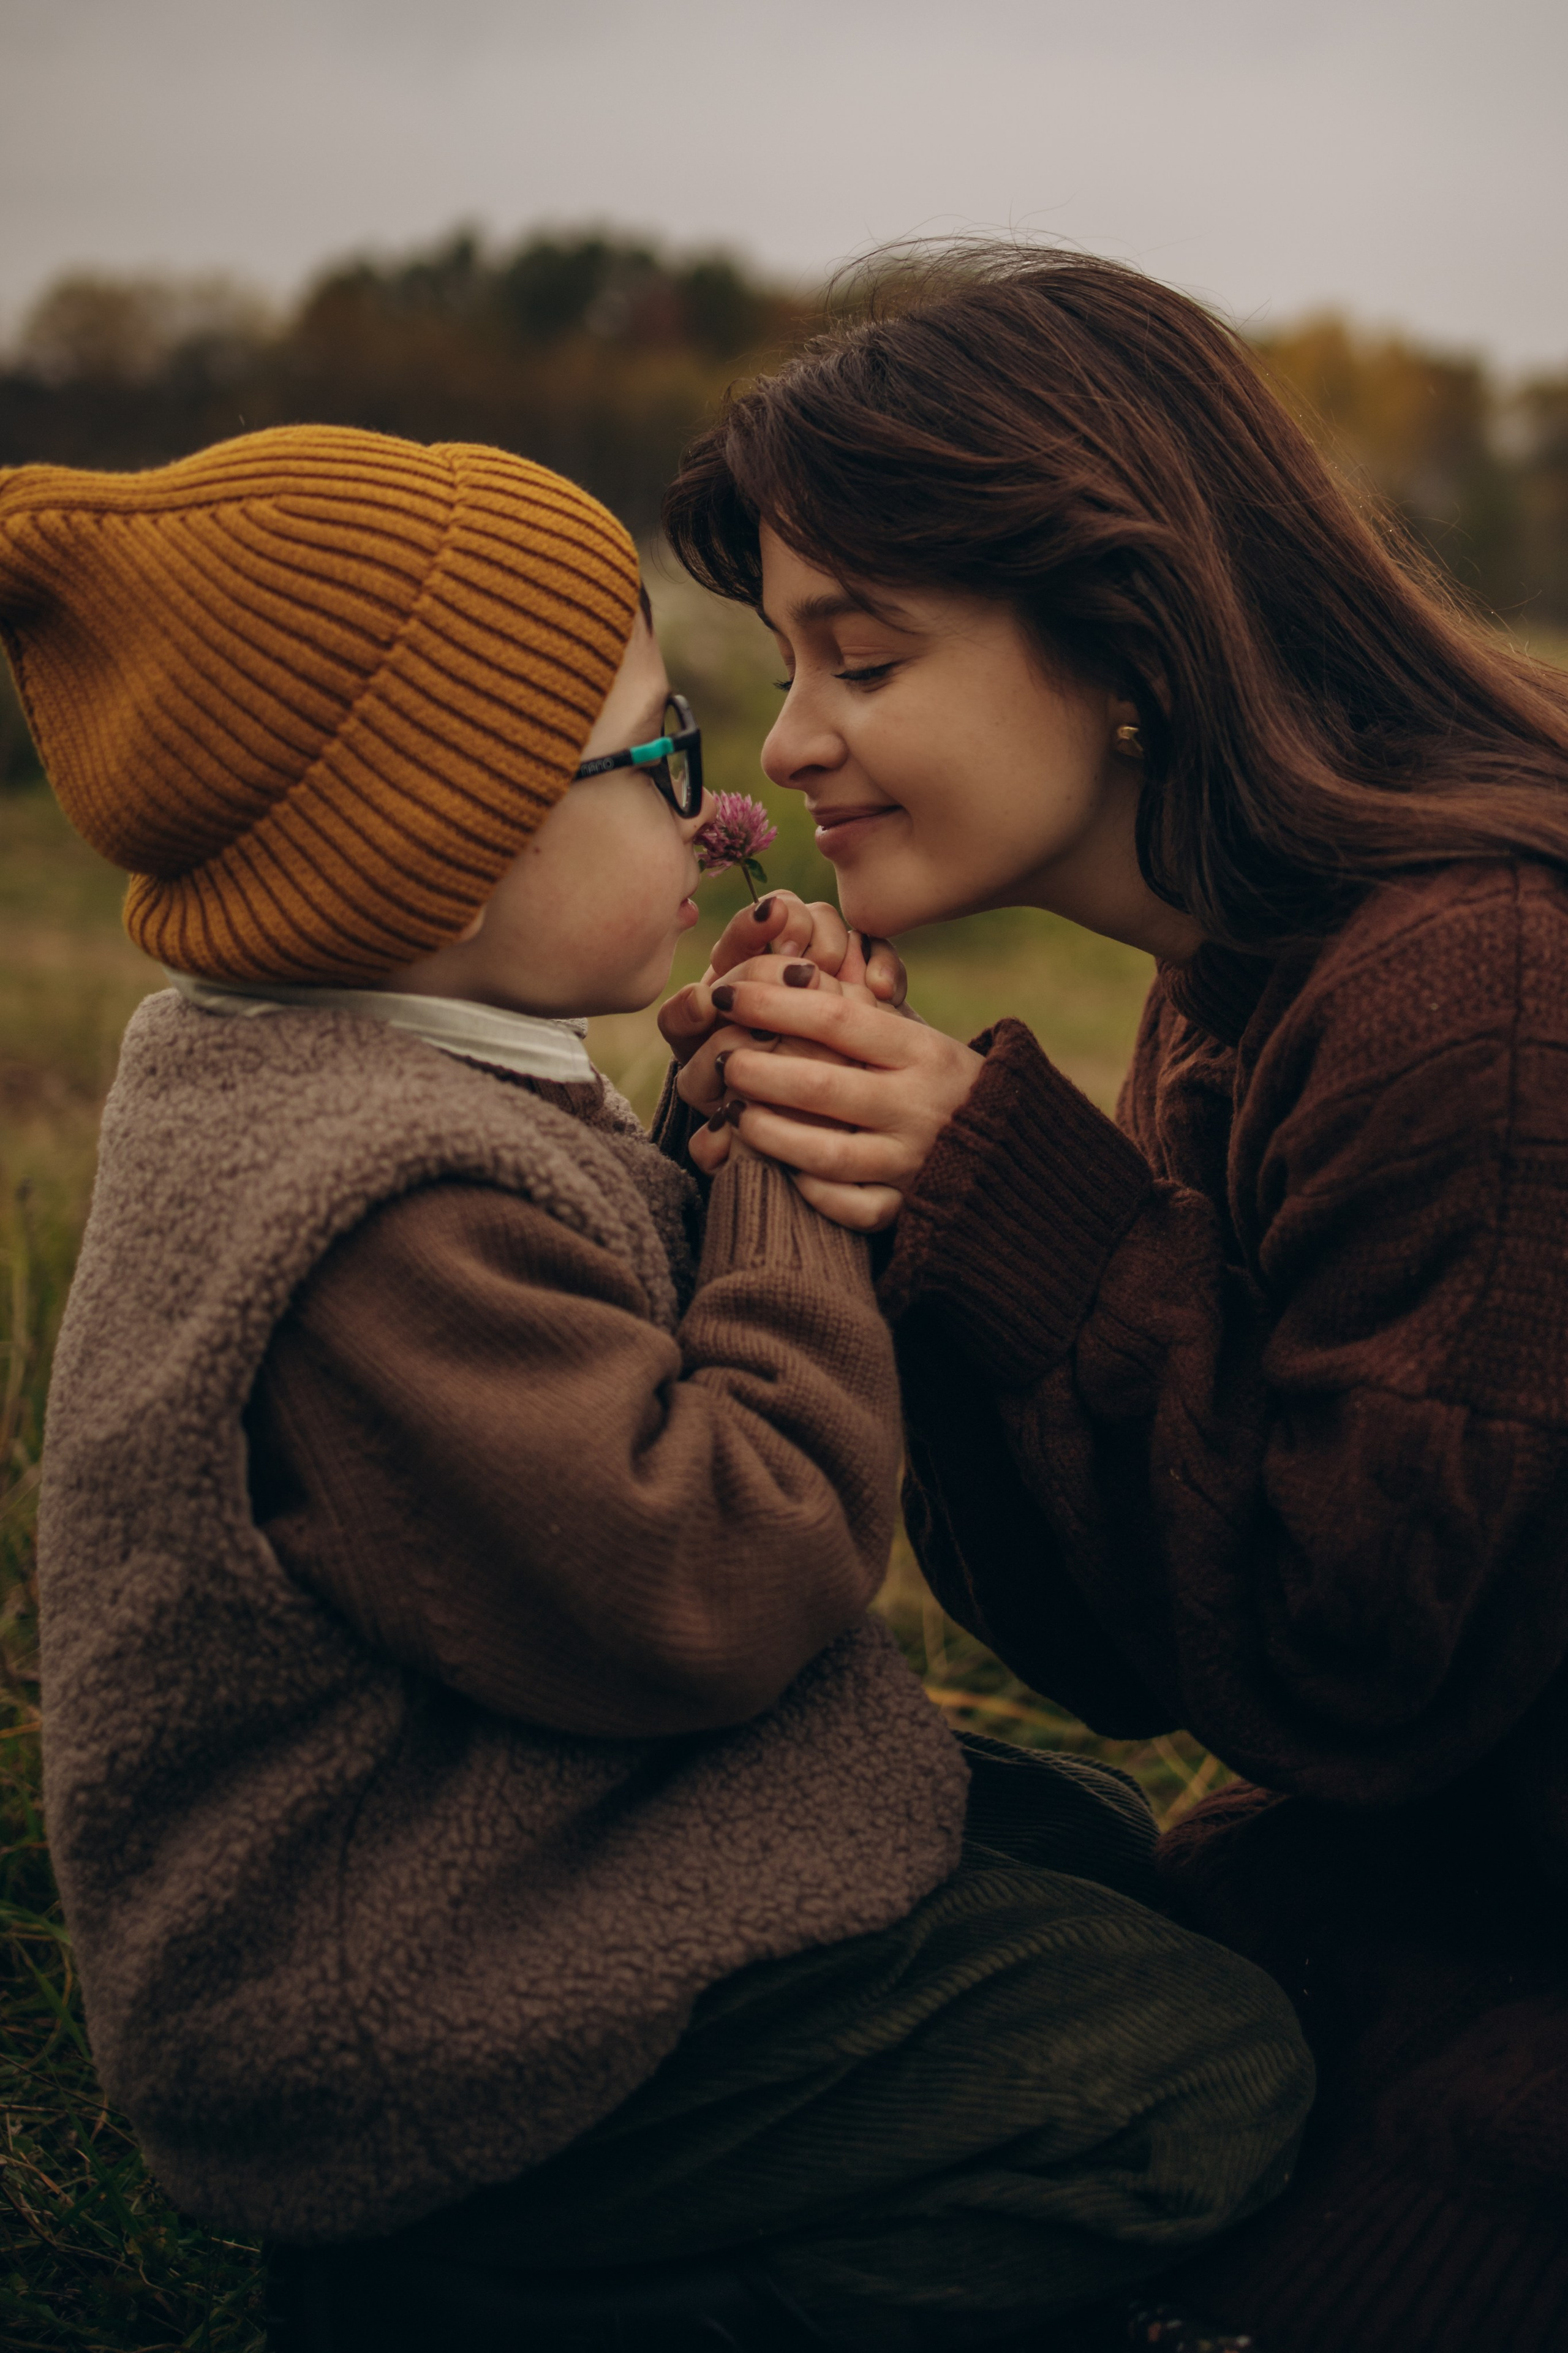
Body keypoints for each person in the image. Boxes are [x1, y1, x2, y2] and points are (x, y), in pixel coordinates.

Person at [3, 425, 1310, 2353]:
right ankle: (506, 2299)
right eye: (655, 756)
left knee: (1088, 1844)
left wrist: (709, 1141)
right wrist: (786, 1179)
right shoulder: (371, 1203)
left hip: (507, 1853)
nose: (719, 815)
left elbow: (572, 1383)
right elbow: (717, 1574)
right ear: (434, 842)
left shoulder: (374, 1070)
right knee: (1200, 2071)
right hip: (425, 2016)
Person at [661, 246, 1568, 2353]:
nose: (791, 738)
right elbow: (1130, 1642)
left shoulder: (1479, 987)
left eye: (862, 659)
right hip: (1419, 1861)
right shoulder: (1244, 964)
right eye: (785, 664)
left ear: (1130, 636)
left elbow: (1362, 1659)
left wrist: (998, 1186)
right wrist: (889, 1220)